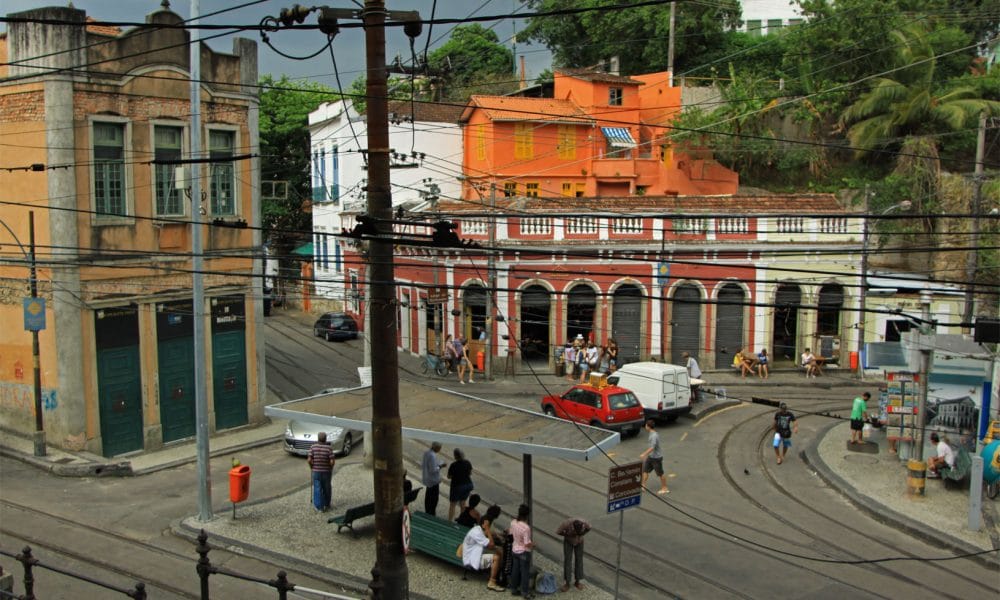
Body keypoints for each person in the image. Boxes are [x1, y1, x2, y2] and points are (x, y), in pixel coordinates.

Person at [461, 512, 505, 592]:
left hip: (474, 554)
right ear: (485, 525)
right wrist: (488, 530)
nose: (490, 528)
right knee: (496, 558)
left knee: (498, 552)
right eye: (489, 526)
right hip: (472, 559)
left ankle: (495, 576)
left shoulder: (477, 529)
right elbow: (491, 545)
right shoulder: (477, 533)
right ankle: (491, 582)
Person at [556, 518, 591, 592]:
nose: (577, 534)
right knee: (568, 561)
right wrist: (567, 534)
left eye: (579, 532)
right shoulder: (566, 524)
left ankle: (577, 581)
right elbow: (558, 532)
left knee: (579, 560)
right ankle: (567, 583)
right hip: (568, 541)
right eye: (576, 532)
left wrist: (583, 533)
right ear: (573, 527)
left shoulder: (584, 523)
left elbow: (589, 528)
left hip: (579, 542)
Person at [508, 504, 534, 598]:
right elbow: (527, 543)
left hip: (514, 550)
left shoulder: (513, 522)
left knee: (515, 570)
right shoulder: (526, 528)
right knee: (524, 572)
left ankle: (514, 589)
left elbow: (510, 533)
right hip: (524, 552)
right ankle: (525, 592)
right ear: (527, 515)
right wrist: (533, 544)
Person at [307, 431, 335, 512]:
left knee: (317, 488)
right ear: (325, 439)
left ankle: (319, 507)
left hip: (316, 471)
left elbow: (309, 460)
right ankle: (327, 504)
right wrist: (331, 467)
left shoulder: (313, 447)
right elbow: (332, 461)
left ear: (318, 438)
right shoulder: (329, 448)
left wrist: (311, 466)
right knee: (327, 488)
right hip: (326, 471)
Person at [639, 420, 670, 494]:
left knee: (660, 473)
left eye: (646, 425)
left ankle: (665, 488)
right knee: (645, 470)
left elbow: (652, 447)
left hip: (656, 458)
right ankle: (643, 486)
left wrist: (644, 454)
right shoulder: (651, 433)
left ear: (648, 426)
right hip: (651, 457)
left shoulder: (654, 436)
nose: (645, 426)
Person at [447, 448, 474, 521]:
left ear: (455, 456)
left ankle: (449, 521)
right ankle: (462, 520)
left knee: (453, 504)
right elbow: (470, 473)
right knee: (463, 503)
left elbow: (449, 476)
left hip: (457, 487)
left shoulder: (453, 465)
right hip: (468, 485)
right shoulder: (467, 462)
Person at [421, 442, 446, 516]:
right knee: (433, 499)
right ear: (437, 448)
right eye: (439, 448)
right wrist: (440, 466)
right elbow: (433, 470)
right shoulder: (432, 456)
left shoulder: (426, 453)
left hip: (427, 478)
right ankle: (431, 513)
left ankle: (428, 511)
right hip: (433, 481)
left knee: (428, 497)